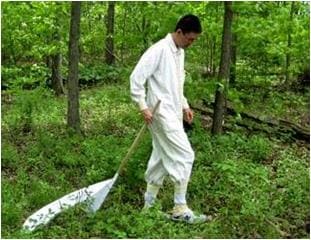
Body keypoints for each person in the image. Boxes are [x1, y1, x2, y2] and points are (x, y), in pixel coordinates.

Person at [130, 14, 206, 223]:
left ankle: (149, 206)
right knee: (185, 155)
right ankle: (180, 208)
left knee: (161, 158)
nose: (191, 43)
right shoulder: (159, 50)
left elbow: (176, 84)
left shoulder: (179, 52)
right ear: (179, 32)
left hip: (173, 112)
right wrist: (143, 106)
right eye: (190, 39)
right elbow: (136, 78)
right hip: (159, 114)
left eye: (194, 40)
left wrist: (184, 105)